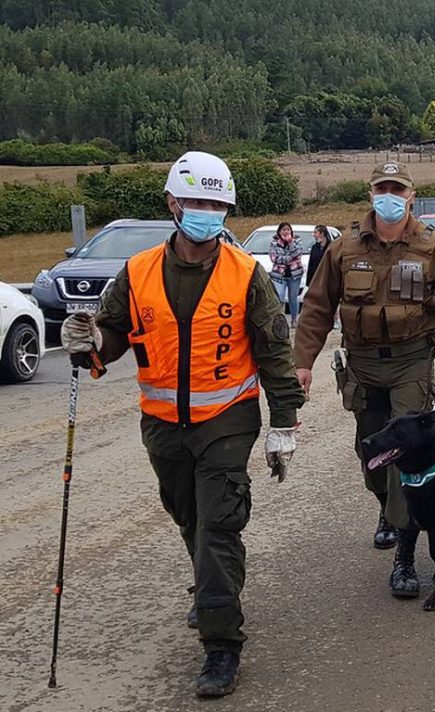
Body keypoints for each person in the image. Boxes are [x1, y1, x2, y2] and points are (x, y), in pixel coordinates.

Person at [60, 151, 304, 698]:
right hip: (163, 426)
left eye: (216, 204)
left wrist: (283, 423)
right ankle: (214, 591)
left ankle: (222, 643)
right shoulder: (139, 271)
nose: (205, 212)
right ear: (173, 203)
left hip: (227, 421)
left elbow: (274, 351)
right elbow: (115, 333)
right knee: (189, 518)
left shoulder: (247, 275)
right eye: (196, 201)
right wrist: (92, 342)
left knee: (218, 526)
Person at [293, 161, 435, 598]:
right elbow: (317, 308)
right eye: (382, 188)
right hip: (363, 364)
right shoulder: (345, 248)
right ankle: (388, 509)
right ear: (370, 193)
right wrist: (302, 362)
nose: (389, 195)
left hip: (413, 361)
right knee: (371, 453)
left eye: (398, 189)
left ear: (411, 196)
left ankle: (405, 559)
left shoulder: (432, 247)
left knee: (405, 451)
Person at [269, 222, 303, 328]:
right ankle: (280, 320)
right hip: (279, 275)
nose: (286, 232)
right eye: (283, 230)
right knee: (280, 297)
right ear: (279, 232)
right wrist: (289, 258)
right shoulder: (274, 243)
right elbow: (274, 258)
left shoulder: (297, 241)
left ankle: (294, 320)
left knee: (293, 298)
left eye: (288, 229)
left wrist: (290, 243)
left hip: (294, 275)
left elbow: (297, 253)